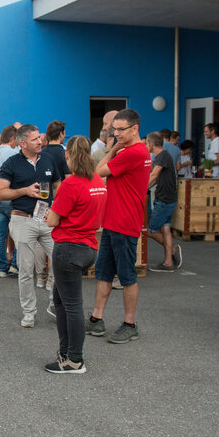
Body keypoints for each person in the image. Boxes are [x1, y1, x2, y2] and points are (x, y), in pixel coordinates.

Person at [86, 109, 151, 344]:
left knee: (127, 277)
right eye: (114, 129)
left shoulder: (133, 152)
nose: (116, 133)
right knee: (103, 272)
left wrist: (112, 150)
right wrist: (115, 147)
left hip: (125, 223)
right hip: (114, 221)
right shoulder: (131, 150)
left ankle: (129, 324)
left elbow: (96, 171)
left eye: (121, 129)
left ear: (135, 129)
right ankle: (96, 319)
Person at [44, 136, 107, 373]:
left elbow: (52, 219)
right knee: (61, 300)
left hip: (69, 247)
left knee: (71, 305)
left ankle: (74, 359)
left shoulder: (72, 184)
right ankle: (65, 352)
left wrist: (50, 214)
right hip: (88, 244)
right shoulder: (97, 181)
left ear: (68, 155)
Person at [0, 124, 61, 328]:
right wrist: (24, 190)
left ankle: (55, 305)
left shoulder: (48, 159)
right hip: (23, 219)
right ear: (22, 143)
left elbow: (58, 185)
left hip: (47, 220)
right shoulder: (11, 163)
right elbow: (0, 193)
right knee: (26, 270)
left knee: (61, 264)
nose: (40, 142)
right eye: (34, 140)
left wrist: (57, 209)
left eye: (39, 138)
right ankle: (29, 312)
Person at [145, 132, 182, 272]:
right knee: (165, 229)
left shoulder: (163, 156)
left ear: (152, 144)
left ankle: (172, 250)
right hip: (168, 199)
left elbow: (153, 175)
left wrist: (139, 190)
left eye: (147, 143)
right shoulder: (162, 156)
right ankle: (168, 263)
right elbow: (153, 178)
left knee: (150, 230)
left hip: (164, 201)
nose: (146, 145)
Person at [0, 125, 19, 277]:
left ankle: (2, 268)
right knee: (17, 232)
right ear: (12, 138)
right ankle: (14, 265)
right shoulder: (15, 154)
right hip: (10, 196)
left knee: (0, 235)